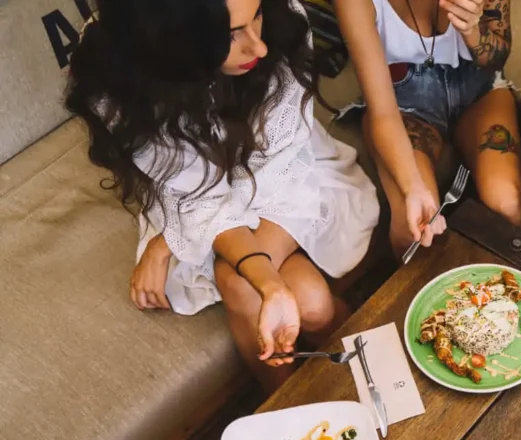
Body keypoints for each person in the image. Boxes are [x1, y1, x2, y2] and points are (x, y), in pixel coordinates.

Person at [66, 0, 380, 391]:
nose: (258, 47)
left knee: (248, 287)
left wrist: (170, 243)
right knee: (309, 300)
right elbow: (196, 194)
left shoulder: (282, 26)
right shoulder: (121, 84)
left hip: (286, 174)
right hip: (192, 196)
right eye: (231, 35)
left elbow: (278, 169)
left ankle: (307, 410)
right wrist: (270, 284)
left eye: (257, 15)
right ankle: (321, 399)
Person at [336, 0, 521, 258]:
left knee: (507, 205)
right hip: (403, 104)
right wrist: (414, 187)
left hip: (478, 89)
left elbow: (496, 57)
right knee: (413, 236)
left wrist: (472, 30)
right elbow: (383, 111)